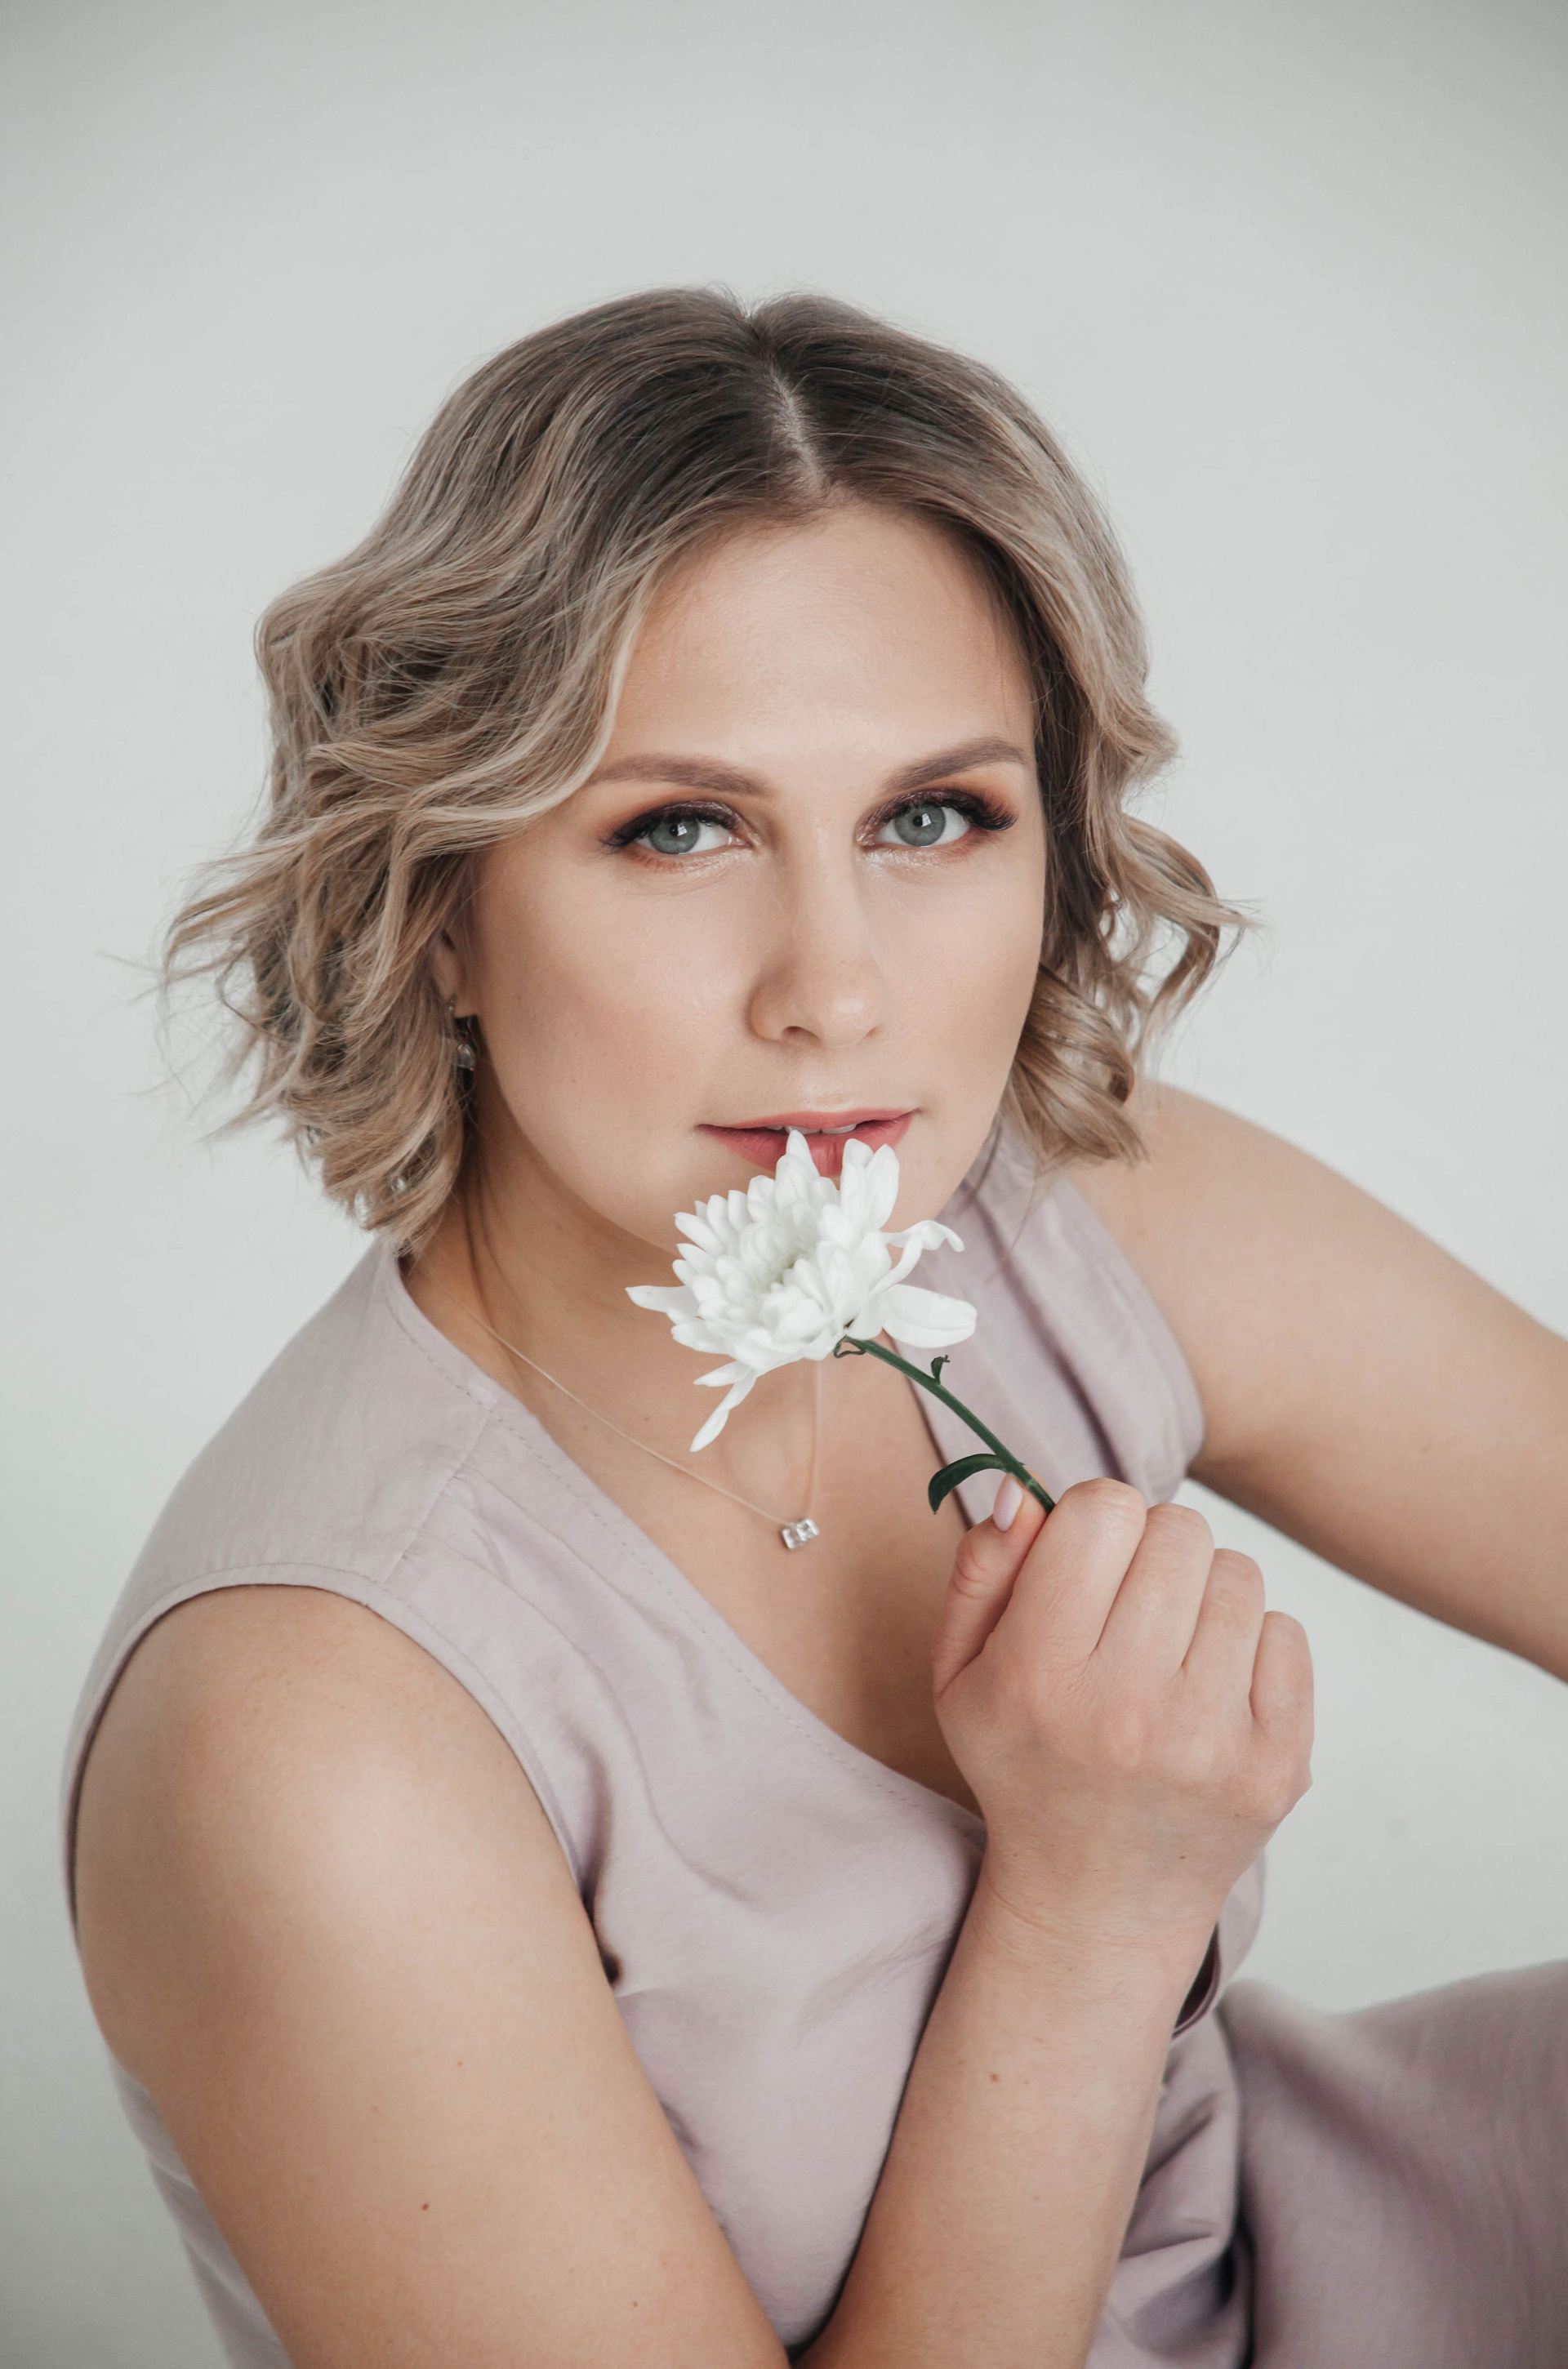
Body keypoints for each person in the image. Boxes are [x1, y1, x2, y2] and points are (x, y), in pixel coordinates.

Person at [66, 289, 1568, 2369]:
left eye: (932, 815)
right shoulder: (311, 1731)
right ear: (437, 904)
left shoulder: (1053, 1207)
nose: (838, 990)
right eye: (679, 828)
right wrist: (1091, 1905)